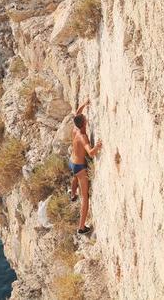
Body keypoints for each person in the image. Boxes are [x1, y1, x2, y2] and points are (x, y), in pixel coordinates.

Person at [69, 98, 102, 234]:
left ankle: (72, 195)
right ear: (83, 123)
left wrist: (84, 104)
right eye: (85, 120)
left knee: (75, 177)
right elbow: (91, 152)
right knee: (85, 198)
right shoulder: (82, 136)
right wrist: (98, 146)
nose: (87, 120)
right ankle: (81, 228)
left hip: (72, 163)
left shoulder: (75, 129)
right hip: (81, 168)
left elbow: (77, 113)